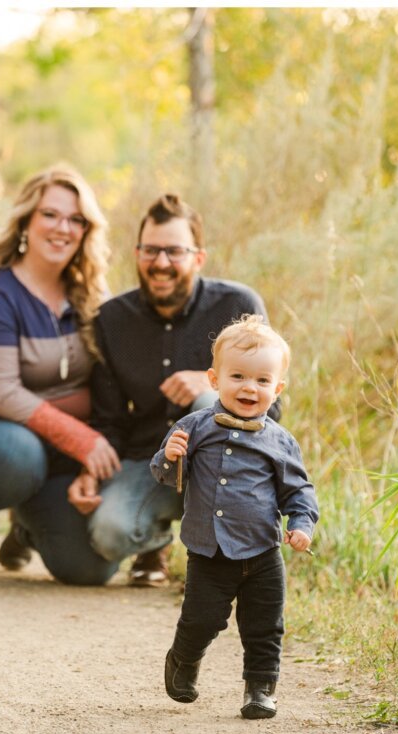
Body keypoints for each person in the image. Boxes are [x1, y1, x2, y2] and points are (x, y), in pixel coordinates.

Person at [0, 165, 121, 587]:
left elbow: (111, 386)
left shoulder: (91, 297)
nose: (62, 228)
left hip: (55, 449)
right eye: (50, 215)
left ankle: (25, 527)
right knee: (18, 452)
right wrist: (81, 438)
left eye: (75, 219)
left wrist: (88, 460)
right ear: (27, 222)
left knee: (91, 569)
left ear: (87, 230)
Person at [85, 194, 279, 586]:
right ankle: (155, 542)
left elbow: (270, 411)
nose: (160, 263)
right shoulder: (111, 320)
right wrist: (94, 465)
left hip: (226, 469)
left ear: (198, 257)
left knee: (209, 400)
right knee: (107, 534)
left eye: (174, 251)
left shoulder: (238, 305)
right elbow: (108, 419)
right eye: (151, 250)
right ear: (137, 253)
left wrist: (211, 383)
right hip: (149, 463)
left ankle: (222, 557)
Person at [151, 315, 318, 718]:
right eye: (238, 376)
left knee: (265, 627)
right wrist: (170, 456)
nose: (249, 387)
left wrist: (301, 523)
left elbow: (298, 490)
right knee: (202, 620)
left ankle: (259, 689)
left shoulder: (280, 442)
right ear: (214, 379)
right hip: (209, 552)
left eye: (262, 381)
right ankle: (184, 660)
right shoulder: (193, 427)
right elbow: (165, 474)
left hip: (262, 552)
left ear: (277, 389)